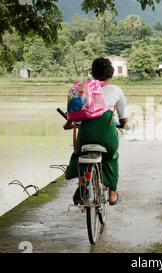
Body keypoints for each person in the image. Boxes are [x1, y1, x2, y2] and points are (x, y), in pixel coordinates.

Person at [63, 57, 128, 206]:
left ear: (92, 74)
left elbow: (73, 113)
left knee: (79, 154)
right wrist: (124, 124)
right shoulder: (116, 90)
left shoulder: (82, 89)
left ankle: (82, 185)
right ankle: (112, 194)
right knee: (112, 157)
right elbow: (123, 118)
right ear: (110, 75)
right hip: (107, 137)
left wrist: (68, 124)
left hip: (85, 136)